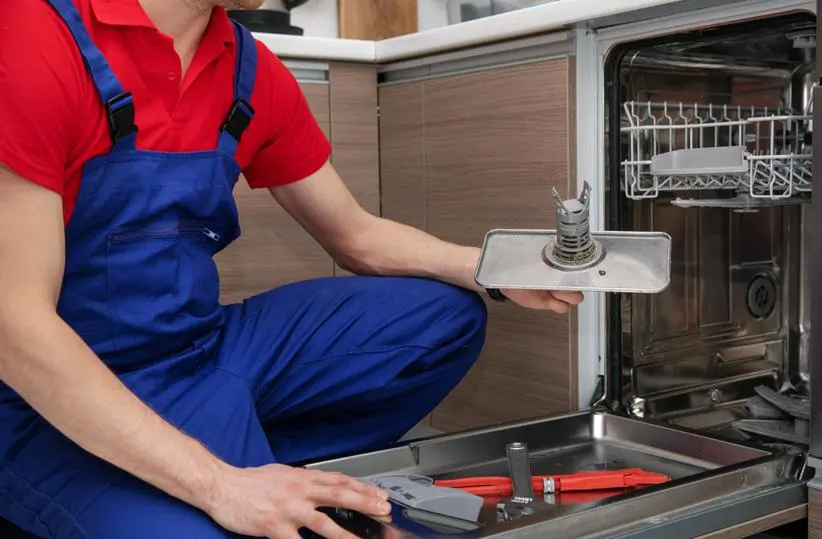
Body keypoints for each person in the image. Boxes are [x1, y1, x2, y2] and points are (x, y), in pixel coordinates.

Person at [0, 0, 584, 537]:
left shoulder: (245, 68)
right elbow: (16, 327)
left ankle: (244, 464)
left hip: (197, 355)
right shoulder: (32, 34)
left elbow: (357, 237)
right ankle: (200, 472)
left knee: (442, 319)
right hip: (38, 401)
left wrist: (493, 267)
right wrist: (218, 485)